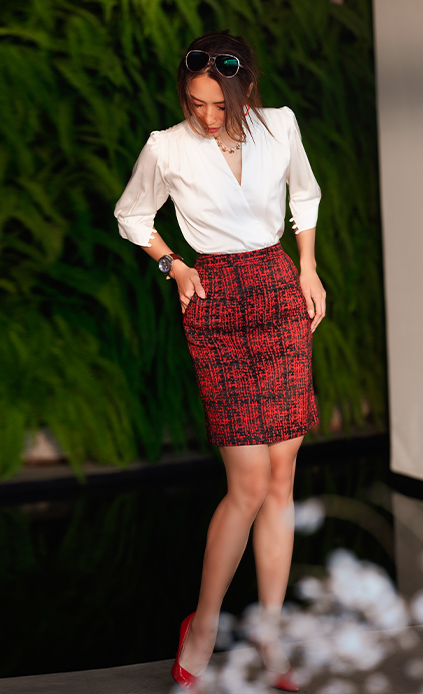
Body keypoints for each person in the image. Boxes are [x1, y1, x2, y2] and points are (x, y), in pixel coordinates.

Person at [114, 30, 325, 693]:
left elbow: (305, 195)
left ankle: (269, 633)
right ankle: (203, 625)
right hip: (216, 301)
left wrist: (309, 268)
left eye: (218, 104)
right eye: (195, 102)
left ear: (246, 91)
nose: (206, 116)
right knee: (249, 482)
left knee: (283, 475)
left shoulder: (279, 126)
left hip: (280, 292)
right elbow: (132, 215)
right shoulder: (166, 146)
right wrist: (173, 266)